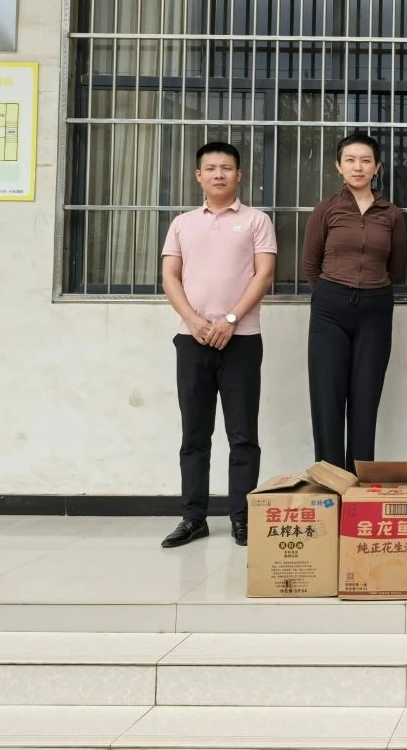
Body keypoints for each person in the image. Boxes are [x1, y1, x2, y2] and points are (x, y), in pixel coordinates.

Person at [160, 142, 276, 548]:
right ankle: (193, 518)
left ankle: (242, 517)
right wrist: (193, 320)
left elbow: (264, 274)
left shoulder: (257, 220)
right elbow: (170, 276)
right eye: (210, 168)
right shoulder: (182, 223)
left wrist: (231, 319)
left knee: (243, 435)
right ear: (199, 176)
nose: (219, 174)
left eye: (226, 168)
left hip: (241, 340)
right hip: (191, 340)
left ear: (239, 175)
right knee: (194, 434)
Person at [303, 132, 407, 471]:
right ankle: (331, 479)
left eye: (365, 160)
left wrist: (368, 290)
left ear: (377, 167)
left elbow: (396, 266)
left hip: (376, 308)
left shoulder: (391, 214)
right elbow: (310, 264)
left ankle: (359, 482)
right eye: (350, 160)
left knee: (365, 399)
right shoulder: (326, 209)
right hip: (330, 308)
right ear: (339, 166)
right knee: (327, 397)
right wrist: (333, 292)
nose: (358, 167)